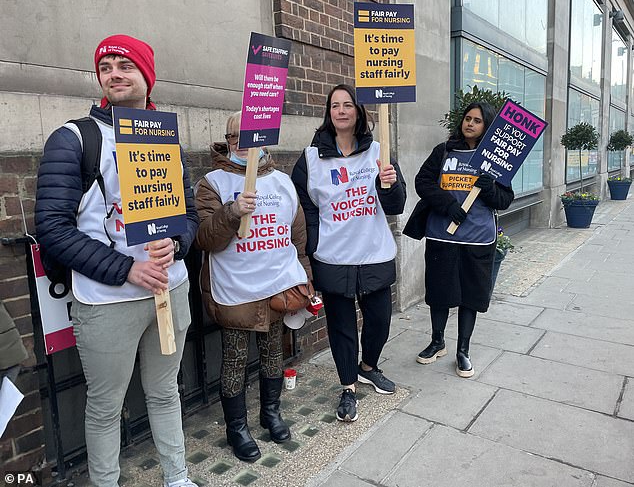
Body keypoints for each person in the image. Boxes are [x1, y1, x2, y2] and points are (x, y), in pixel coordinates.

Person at [35, 35, 199, 487]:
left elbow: (187, 214)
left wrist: (178, 244)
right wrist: (126, 268)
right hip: (107, 301)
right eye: (106, 66)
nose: (114, 73)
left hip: (170, 289)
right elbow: (52, 227)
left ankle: (177, 476)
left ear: (148, 76)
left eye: (125, 64)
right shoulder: (73, 138)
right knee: (106, 407)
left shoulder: (164, 136)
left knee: (166, 392)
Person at [195, 111, 313, 462]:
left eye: (252, 139)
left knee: (273, 354)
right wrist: (232, 212)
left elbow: (298, 238)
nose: (244, 146)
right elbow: (204, 239)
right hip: (235, 291)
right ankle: (237, 428)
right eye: (236, 139)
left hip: (277, 288)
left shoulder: (282, 182)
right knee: (233, 361)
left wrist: (305, 277)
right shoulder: (212, 183)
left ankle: (271, 412)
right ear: (227, 142)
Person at [291, 84, 406, 422]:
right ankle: (348, 387)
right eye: (334, 105)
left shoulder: (379, 153)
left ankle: (368, 366)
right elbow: (305, 209)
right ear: (329, 113)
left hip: (374, 253)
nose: (341, 111)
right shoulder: (311, 158)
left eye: (347, 105)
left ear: (358, 111)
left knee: (379, 322)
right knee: (341, 327)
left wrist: (391, 183)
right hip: (334, 257)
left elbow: (396, 205)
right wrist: (313, 248)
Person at [414, 102, 514, 378]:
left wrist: (490, 189)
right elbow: (422, 181)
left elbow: (505, 199)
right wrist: (446, 204)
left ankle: (463, 350)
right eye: (467, 118)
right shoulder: (444, 151)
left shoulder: (495, 161)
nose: (470, 123)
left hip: (478, 240)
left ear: (487, 126)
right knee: (439, 292)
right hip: (441, 235)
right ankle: (437, 342)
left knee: (470, 296)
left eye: (477, 120)